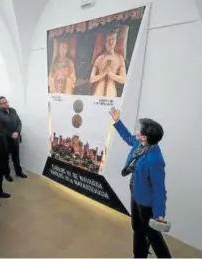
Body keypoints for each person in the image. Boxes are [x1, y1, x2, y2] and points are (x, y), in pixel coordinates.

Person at [109, 107, 171, 258]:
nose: (135, 130)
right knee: (136, 227)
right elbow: (129, 138)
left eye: (138, 129)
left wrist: (159, 214)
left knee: (153, 235)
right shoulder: (140, 144)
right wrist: (117, 121)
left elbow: (159, 189)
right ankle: (139, 255)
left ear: (144, 137)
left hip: (146, 201)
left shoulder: (155, 160)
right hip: (135, 192)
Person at [0, 96, 27, 181]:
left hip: (15, 138)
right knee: (6, 158)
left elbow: (19, 122)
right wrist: (10, 134)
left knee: (16, 157)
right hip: (5, 140)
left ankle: (19, 172)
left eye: (6, 102)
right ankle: (7, 174)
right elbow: (0, 128)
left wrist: (17, 132)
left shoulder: (13, 110)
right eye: (4, 103)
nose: (6, 104)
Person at [90, 29, 127, 97]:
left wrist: (111, 74)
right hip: (98, 91)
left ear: (116, 41)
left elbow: (123, 79)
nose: (111, 42)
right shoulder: (99, 58)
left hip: (111, 91)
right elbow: (91, 79)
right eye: (109, 40)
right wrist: (103, 74)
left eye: (113, 39)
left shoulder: (119, 58)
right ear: (105, 42)